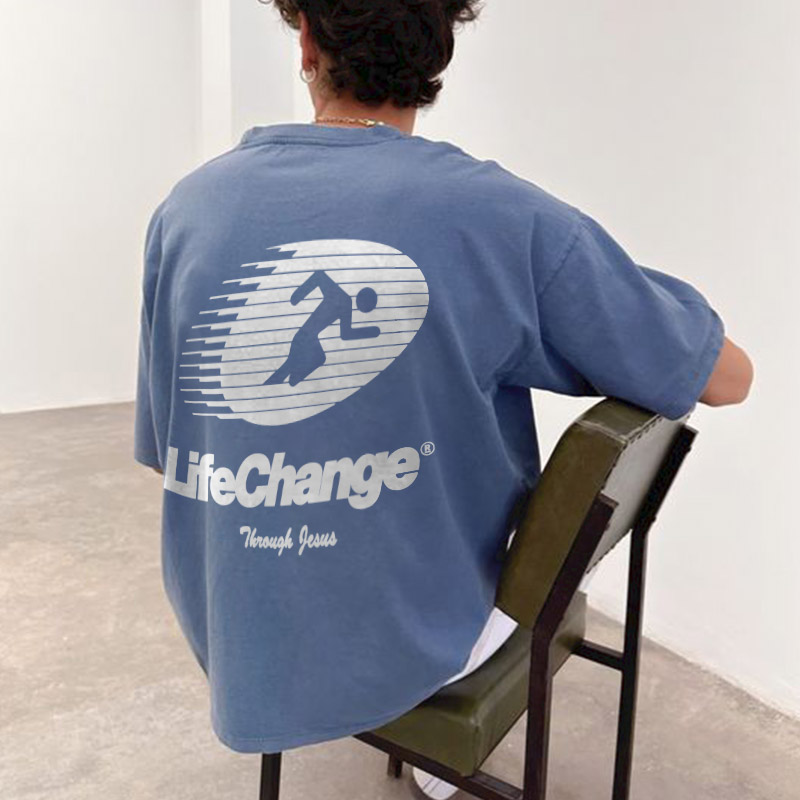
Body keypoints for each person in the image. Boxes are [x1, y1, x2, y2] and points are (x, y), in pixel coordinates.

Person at [133, 1, 754, 797]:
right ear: (439, 54)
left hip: (236, 635)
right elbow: (728, 379)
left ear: (308, 42)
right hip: (418, 645)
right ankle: (433, 744)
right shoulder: (497, 217)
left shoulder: (185, 209)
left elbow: (170, 447)